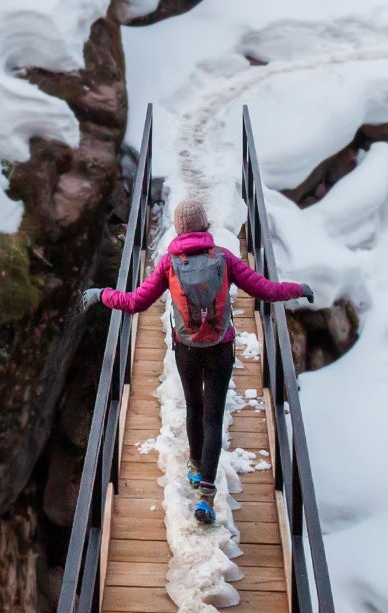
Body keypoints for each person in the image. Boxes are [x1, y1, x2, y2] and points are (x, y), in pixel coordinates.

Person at [83, 199, 312, 524]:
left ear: (178, 228)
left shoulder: (168, 263)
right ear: (205, 226)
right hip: (220, 346)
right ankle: (205, 494)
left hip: (186, 348)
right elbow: (264, 289)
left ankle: (194, 467)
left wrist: (102, 294)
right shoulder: (224, 258)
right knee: (213, 418)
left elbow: (135, 302)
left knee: (195, 407)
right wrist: (298, 289)